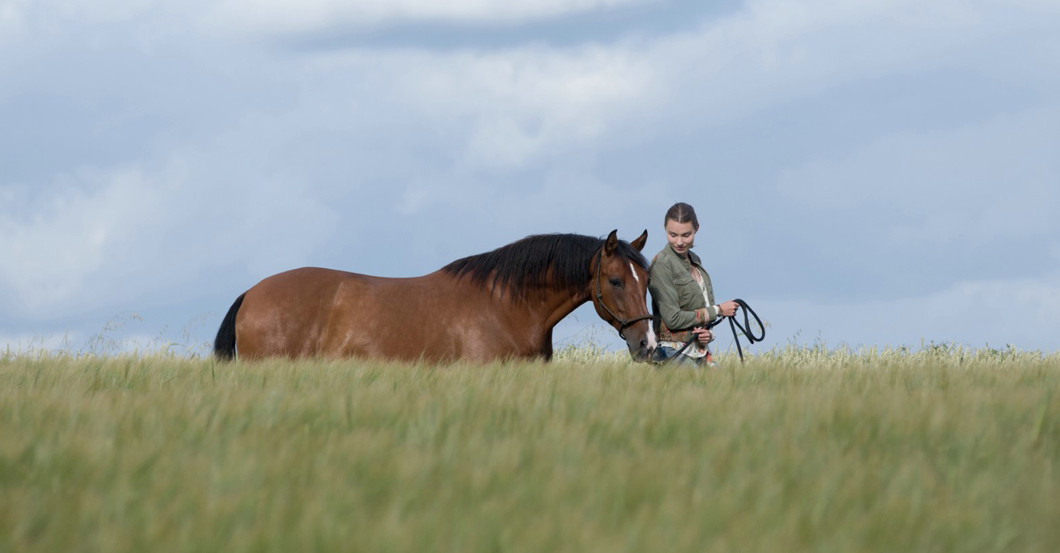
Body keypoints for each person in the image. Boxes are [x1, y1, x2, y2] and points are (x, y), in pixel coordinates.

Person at [648, 202, 740, 367]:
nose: (679, 242)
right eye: (673, 234)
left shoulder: (695, 260)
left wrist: (707, 334)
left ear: (696, 229)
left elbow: (699, 309)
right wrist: (718, 310)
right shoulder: (662, 264)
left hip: (699, 351)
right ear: (664, 229)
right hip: (671, 353)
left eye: (686, 235)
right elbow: (673, 319)